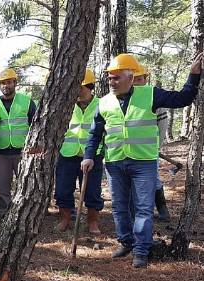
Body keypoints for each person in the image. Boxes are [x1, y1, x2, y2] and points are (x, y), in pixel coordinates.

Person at [81, 53, 202, 268]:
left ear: (130, 77)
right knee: (119, 206)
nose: (112, 82)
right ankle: (126, 242)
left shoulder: (150, 94)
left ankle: (141, 250)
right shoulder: (104, 102)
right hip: (115, 162)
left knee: (144, 207)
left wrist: (193, 76)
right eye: (110, 78)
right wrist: (89, 156)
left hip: (143, 162)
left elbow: (183, 99)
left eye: (116, 77)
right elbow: (95, 133)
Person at [54, 69, 103, 234]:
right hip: (67, 153)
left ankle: (92, 222)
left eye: (81, 87)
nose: (77, 91)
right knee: (62, 189)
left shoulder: (102, 104)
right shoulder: (64, 104)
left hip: (92, 156)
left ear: (90, 87)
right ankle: (65, 219)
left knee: (92, 191)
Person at [0, 68, 37, 218]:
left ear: (15, 83)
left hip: (22, 151)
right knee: (3, 186)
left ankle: (26, 213)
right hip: (1, 151)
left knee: (25, 184)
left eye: (9, 82)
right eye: (3, 83)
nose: (6, 86)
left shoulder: (27, 101)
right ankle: (3, 212)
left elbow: (36, 125)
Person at [133, 63, 171, 221]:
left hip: (149, 150)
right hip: (128, 150)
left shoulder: (154, 98)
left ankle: (163, 210)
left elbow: (162, 127)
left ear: (145, 79)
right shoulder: (125, 98)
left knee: (153, 179)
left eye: (139, 79)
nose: (136, 82)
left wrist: (156, 146)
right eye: (133, 79)